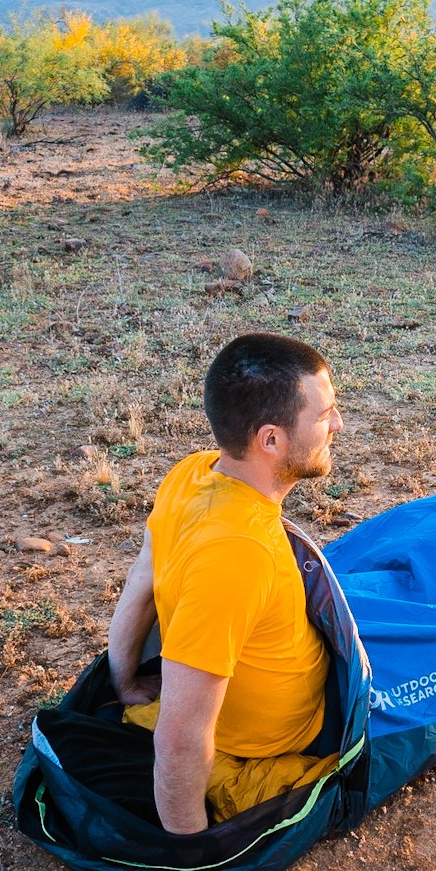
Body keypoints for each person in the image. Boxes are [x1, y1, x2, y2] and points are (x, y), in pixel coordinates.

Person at [103, 332, 345, 834]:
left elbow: (141, 582)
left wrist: (124, 683)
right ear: (272, 440)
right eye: (323, 416)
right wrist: (188, 848)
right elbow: (179, 738)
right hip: (283, 738)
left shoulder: (192, 473)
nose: (337, 425)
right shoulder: (238, 554)